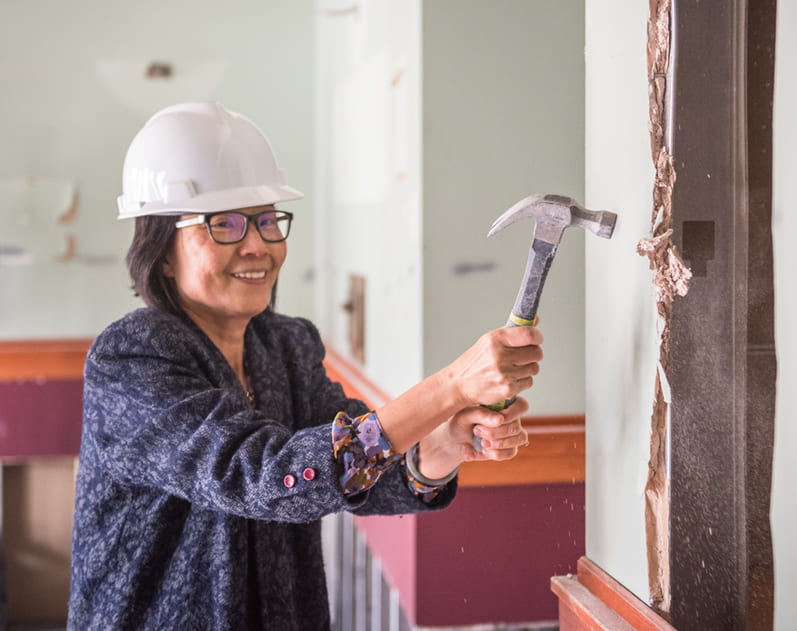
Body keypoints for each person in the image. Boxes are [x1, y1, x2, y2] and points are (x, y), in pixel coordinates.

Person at [67, 102, 543, 630]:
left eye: (268, 220)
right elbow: (265, 477)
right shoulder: (130, 358)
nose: (258, 245)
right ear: (160, 251)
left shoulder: (287, 344)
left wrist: (441, 444)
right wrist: (450, 387)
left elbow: (358, 469)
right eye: (223, 224)